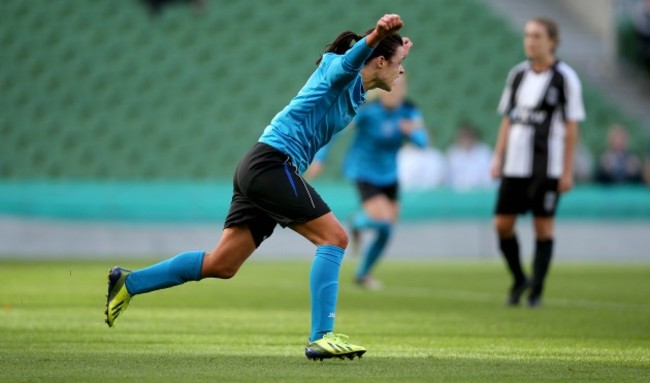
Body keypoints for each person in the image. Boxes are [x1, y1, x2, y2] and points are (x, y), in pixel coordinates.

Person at [105, 14, 412, 361]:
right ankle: (321, 336)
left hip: (263, 167)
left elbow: (359, 74)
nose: (402, 72)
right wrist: (376, 36)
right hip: (270, 164)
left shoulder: (356, 93)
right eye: (399, 63)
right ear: (380, 60)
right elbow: (350, 64)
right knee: (335, 238)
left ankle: (128, 283)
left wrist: (393, 44)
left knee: (223, 264)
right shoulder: (337, 72)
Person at [491, 18, 585, 308]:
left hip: (548, 167)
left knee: (543, 228)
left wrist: (567, 170)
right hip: (515, 165)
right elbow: (508, 118)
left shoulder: (565, 77)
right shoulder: (517, 74)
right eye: (527, 35)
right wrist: (498, 156)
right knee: (502, 224)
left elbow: (571, 126)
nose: (530, 41)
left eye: (536, 36)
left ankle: (536, 291)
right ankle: (520, 278)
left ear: (552, 41)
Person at [306, 75, 428, 289]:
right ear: (384, 88)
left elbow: (422, 143)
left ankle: (363, 273)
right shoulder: (368, 110)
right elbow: (337, 130)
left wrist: (412, 132)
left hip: (389, 175)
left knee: (388, 228)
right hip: (364, 171)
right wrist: (321, 158)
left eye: (402, 86)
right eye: (394, 85)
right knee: (382, 220)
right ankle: (357, 222)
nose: (397, 90)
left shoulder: (409, 111)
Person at [446, 122, 495, 191]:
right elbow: (448, 180)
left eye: (468, 136)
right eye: (463, 136)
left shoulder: (485, 153)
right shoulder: (452, 154)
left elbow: (490, 180)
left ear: (474, 137)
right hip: (458, 195)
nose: (466, 139)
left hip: (480, 194)